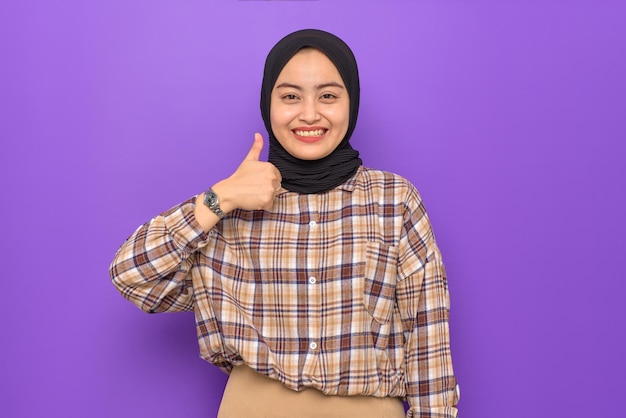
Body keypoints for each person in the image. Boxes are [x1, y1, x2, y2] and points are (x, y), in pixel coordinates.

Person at [110, 29, 459, 417]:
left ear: (351, 103)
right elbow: (132, 276)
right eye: (290, 96)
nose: (309, 114)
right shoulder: (230, 206)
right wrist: (220, 198)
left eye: (328, 95)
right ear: (269, 104)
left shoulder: (393, 200)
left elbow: (428, 339)